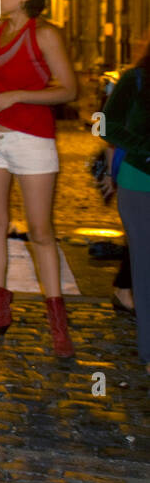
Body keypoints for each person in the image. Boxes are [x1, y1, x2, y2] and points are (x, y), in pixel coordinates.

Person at [0, 0, 79, 353]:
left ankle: (58, 325)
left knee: (40, 230)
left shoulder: (44, 34)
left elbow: (69, 90)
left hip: (31, 138)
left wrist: (18, 96)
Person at [101, 36, 150, 373]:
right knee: (145, 268)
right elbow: (107, 124)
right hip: (140, 181)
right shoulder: (135, 79)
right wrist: (144, 147)